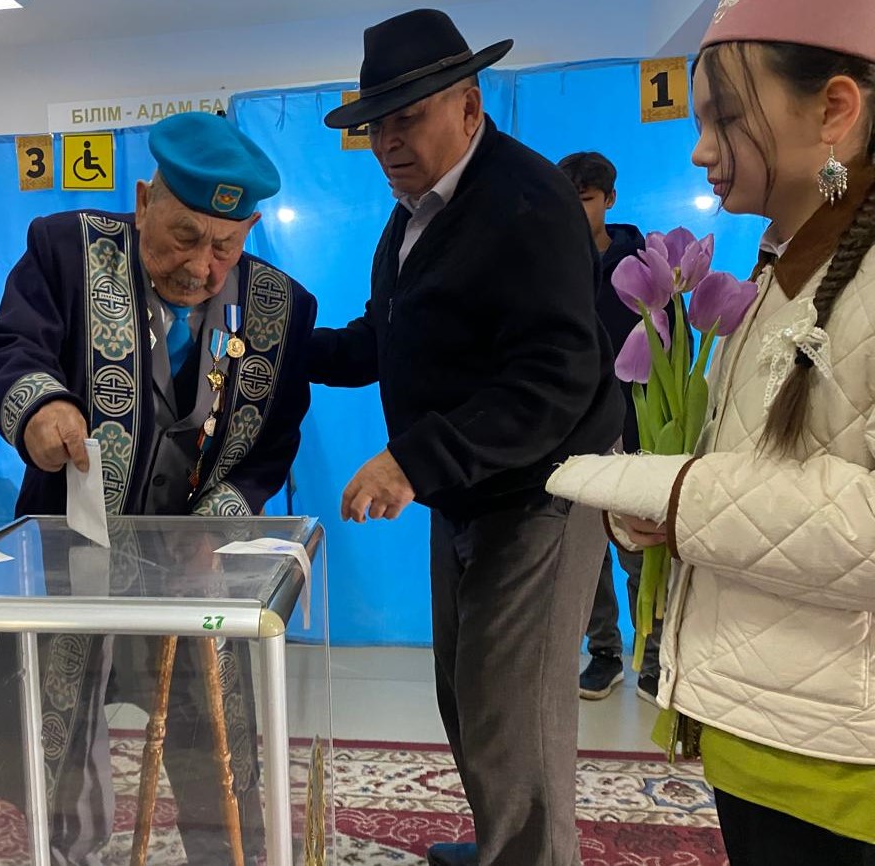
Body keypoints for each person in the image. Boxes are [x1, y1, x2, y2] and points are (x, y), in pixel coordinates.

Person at [547, 1, 875, 862]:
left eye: (725, 119)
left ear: (835, 109)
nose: (700, 150)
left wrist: (682, 497)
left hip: (846, 765)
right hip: (764, 727)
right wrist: (662, 512)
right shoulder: (779, 267)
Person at [314, 10, 623, 866]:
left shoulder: (528, 202)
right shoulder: (416, 212)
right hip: (467, 495)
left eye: (407, 119)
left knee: (511, 714)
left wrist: (412, 460)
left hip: (539, 495)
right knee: (468, 691)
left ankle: (528, 856)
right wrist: (286, 351)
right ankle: (503, 846)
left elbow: (554, 376)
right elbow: (391, 337)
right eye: (376, 125)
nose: (387, 142)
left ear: (470, 105)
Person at [0, 111, 317, 864]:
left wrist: (220, 520)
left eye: (224, 246)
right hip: (77, 552)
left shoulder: (282, 306)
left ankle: (223, 855)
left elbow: (273, 442)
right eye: (184, 237)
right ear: (142, 202)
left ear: (251, 230)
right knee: (63, 736)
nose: (201, 267)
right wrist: (41, 406)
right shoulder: (67, 252)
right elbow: (11, 346)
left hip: (198, 570)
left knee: (210, 735)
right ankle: (68, 853)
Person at [557, 151, 663, 703]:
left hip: (636, 428)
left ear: (610, 199)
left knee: (638, 544)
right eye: (567, 200)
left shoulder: (645, 265)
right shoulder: (550, 263)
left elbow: (672, 347)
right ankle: (604, 653)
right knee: (587, 551)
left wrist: (662, 427)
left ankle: (654, 654)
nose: (577, 211)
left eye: (586, 199)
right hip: (575, 433)